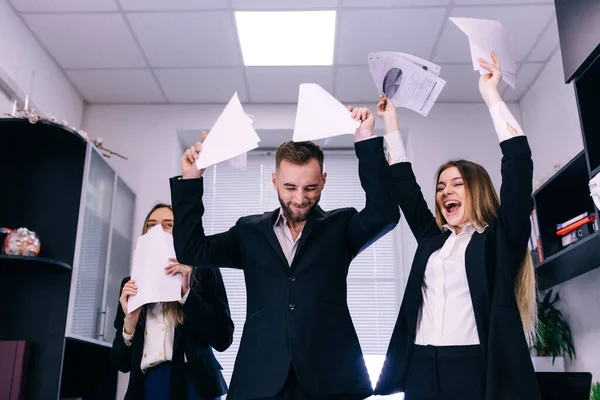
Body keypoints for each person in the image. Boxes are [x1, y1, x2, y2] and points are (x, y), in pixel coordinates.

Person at [169, 107, 400, 400]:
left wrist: (365, 138)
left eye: (311, 188)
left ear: (324, 181)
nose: (300, 198)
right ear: (275, 180)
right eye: (290, 187)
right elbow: (192, 250)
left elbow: (385, 214)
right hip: (260, 381)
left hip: (330, 379)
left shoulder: (341, 227)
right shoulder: (248, 232)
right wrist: (191, 179)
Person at [374, 51, 540, 400]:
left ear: (477, 189)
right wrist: (391, 125)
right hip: (420, 364)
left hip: (471, 366)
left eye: (456, 184)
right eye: (440, 187)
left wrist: (491, 95)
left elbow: (519, 165)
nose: (445, 191)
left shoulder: (498, 241)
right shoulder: (433, 241)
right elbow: (406, 188)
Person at [111, 203, 234, 400]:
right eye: (152, 225)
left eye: (168, 224)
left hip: (195, 384)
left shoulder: (204, 272)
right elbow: (120, 364)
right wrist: (129, 324)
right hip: (148, 386)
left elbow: (223, 339)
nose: (159, 229)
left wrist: (187, 295)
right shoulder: (131, 284)